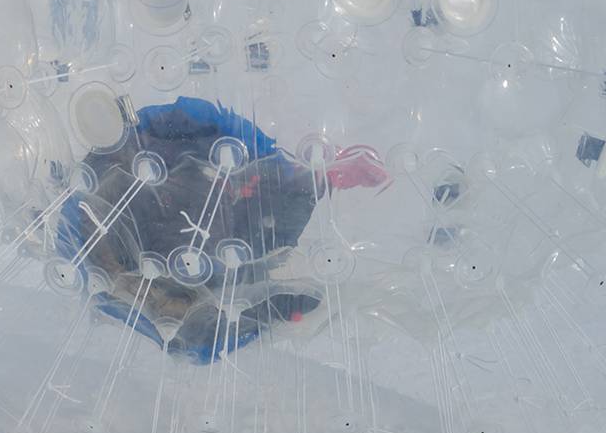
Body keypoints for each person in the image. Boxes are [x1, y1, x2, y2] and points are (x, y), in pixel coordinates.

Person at [61, 96, 386, 362]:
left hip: (175, 209)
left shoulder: (138, 164)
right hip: (190, 229)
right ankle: (316, 176)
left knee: (273, 219)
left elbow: (195, 120)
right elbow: (202, 334)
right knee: (274, 225)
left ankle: (314, 176)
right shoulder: (206, 290)